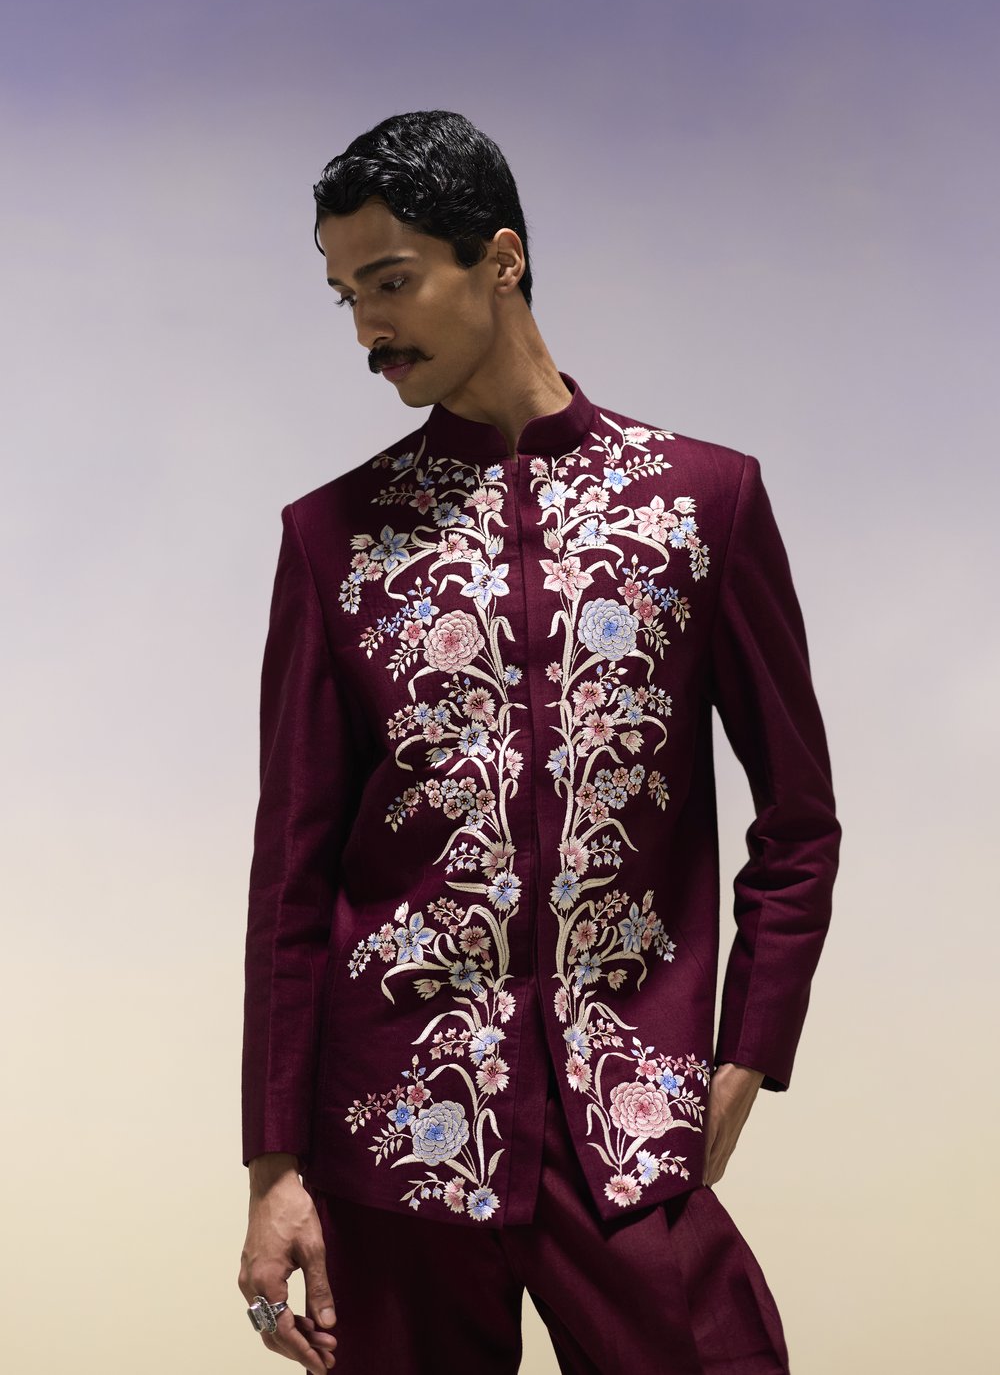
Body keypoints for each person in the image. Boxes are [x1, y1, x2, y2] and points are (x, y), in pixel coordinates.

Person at [237, 109, 840, 1374]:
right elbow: (290, 878)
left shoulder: (701, 504)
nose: (366, 329)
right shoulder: (332, 540)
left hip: (627, 1115)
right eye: (346, 296)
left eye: (390, 282)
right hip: (394, 1132)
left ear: (500, 259)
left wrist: (747, 1055)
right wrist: (274, 1168)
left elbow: (797, 822)